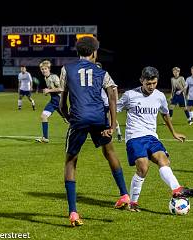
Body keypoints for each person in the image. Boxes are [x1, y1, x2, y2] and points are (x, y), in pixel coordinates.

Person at [59, 36, 130, 227]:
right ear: (94, 52)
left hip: (79, 119)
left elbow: (62, 98)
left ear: (78, 52)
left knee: (71, 161)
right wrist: (112, 125)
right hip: (99, 118)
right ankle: (124, 194)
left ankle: (73, 212)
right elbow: (113, 95)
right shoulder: (101, 72)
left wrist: (66, 115)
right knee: (110, 152)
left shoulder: (67, 69)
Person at [117, 66, 193, 212]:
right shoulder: (130, 95)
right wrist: (109, 125)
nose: (151, 86)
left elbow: (165, 113)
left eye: (154, 83)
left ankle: (176, 189)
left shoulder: (160, 96)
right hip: (135, 136)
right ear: (141, 80)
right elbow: (113, 108)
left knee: (164, 160)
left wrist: (173, 132)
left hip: (151, 136)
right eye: (148, 83)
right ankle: (133, 203)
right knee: (143, 167)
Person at [35, 60, 65, 143]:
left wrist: (49, 90)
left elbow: (61, 89)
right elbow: (52, 90)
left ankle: (85, 132)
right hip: (53, 101)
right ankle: (45, 138)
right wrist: (47, 91)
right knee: (43, 116)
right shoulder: (46, 78)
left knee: (69, 120)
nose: (43, 70)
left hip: (59, 102)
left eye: (45, 69)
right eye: (42, 69)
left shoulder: (54, 77)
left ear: (49, 69)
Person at [97, 62, 123, 142]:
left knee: (110, 119)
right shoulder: (93, 78)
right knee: (102, 120)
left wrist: (116, 100)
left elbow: (114, 87)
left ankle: (117, 132)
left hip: (106, 103)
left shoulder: (104, 76)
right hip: (98, 104)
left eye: (98, 67)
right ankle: (104, 134)